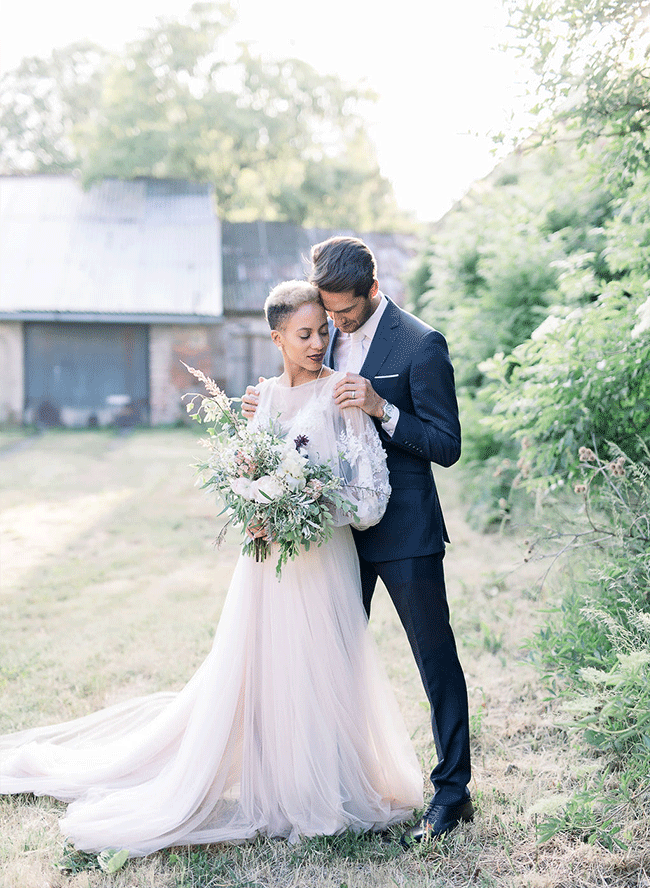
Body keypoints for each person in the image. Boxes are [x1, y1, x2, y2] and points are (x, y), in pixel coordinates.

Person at [0, 282, 423, 857]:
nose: (319, 343)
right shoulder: (264, 399)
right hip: (268, 565)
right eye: (305, 334)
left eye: (324, 331)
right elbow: (252, 472)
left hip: (323, 557)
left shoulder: (342, 396)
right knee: (267, 668)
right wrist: (260, 510)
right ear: (276, 337)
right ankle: (276, 782)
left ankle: (325, 785)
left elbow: (371, 498)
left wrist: (312, 504)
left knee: (324, 668)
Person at [243, 237, 473, 844]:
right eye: (328, 316)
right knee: (330, 661)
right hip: (333, 537)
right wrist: (265, 403)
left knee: (434, 661)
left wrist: (382, 409)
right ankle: (334, 785)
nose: (334, 328)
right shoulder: (324, 326)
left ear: (373, 290)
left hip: (405, 532)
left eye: (344, 315)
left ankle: (453, 794)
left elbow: (447, 446)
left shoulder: (422, 345)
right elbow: (301, 381)